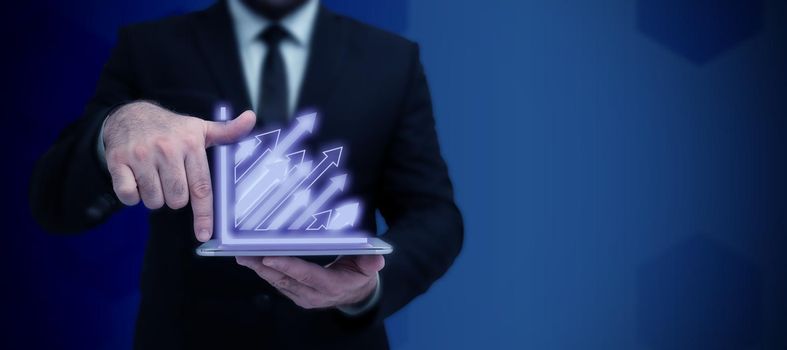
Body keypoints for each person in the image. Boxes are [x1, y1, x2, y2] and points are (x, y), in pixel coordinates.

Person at [29, 0, 463, 348]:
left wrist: (365, 289)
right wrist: (117, 128)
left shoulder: (391, 60)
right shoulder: (149, 47)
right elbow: (55, 204)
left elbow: (433, 214)